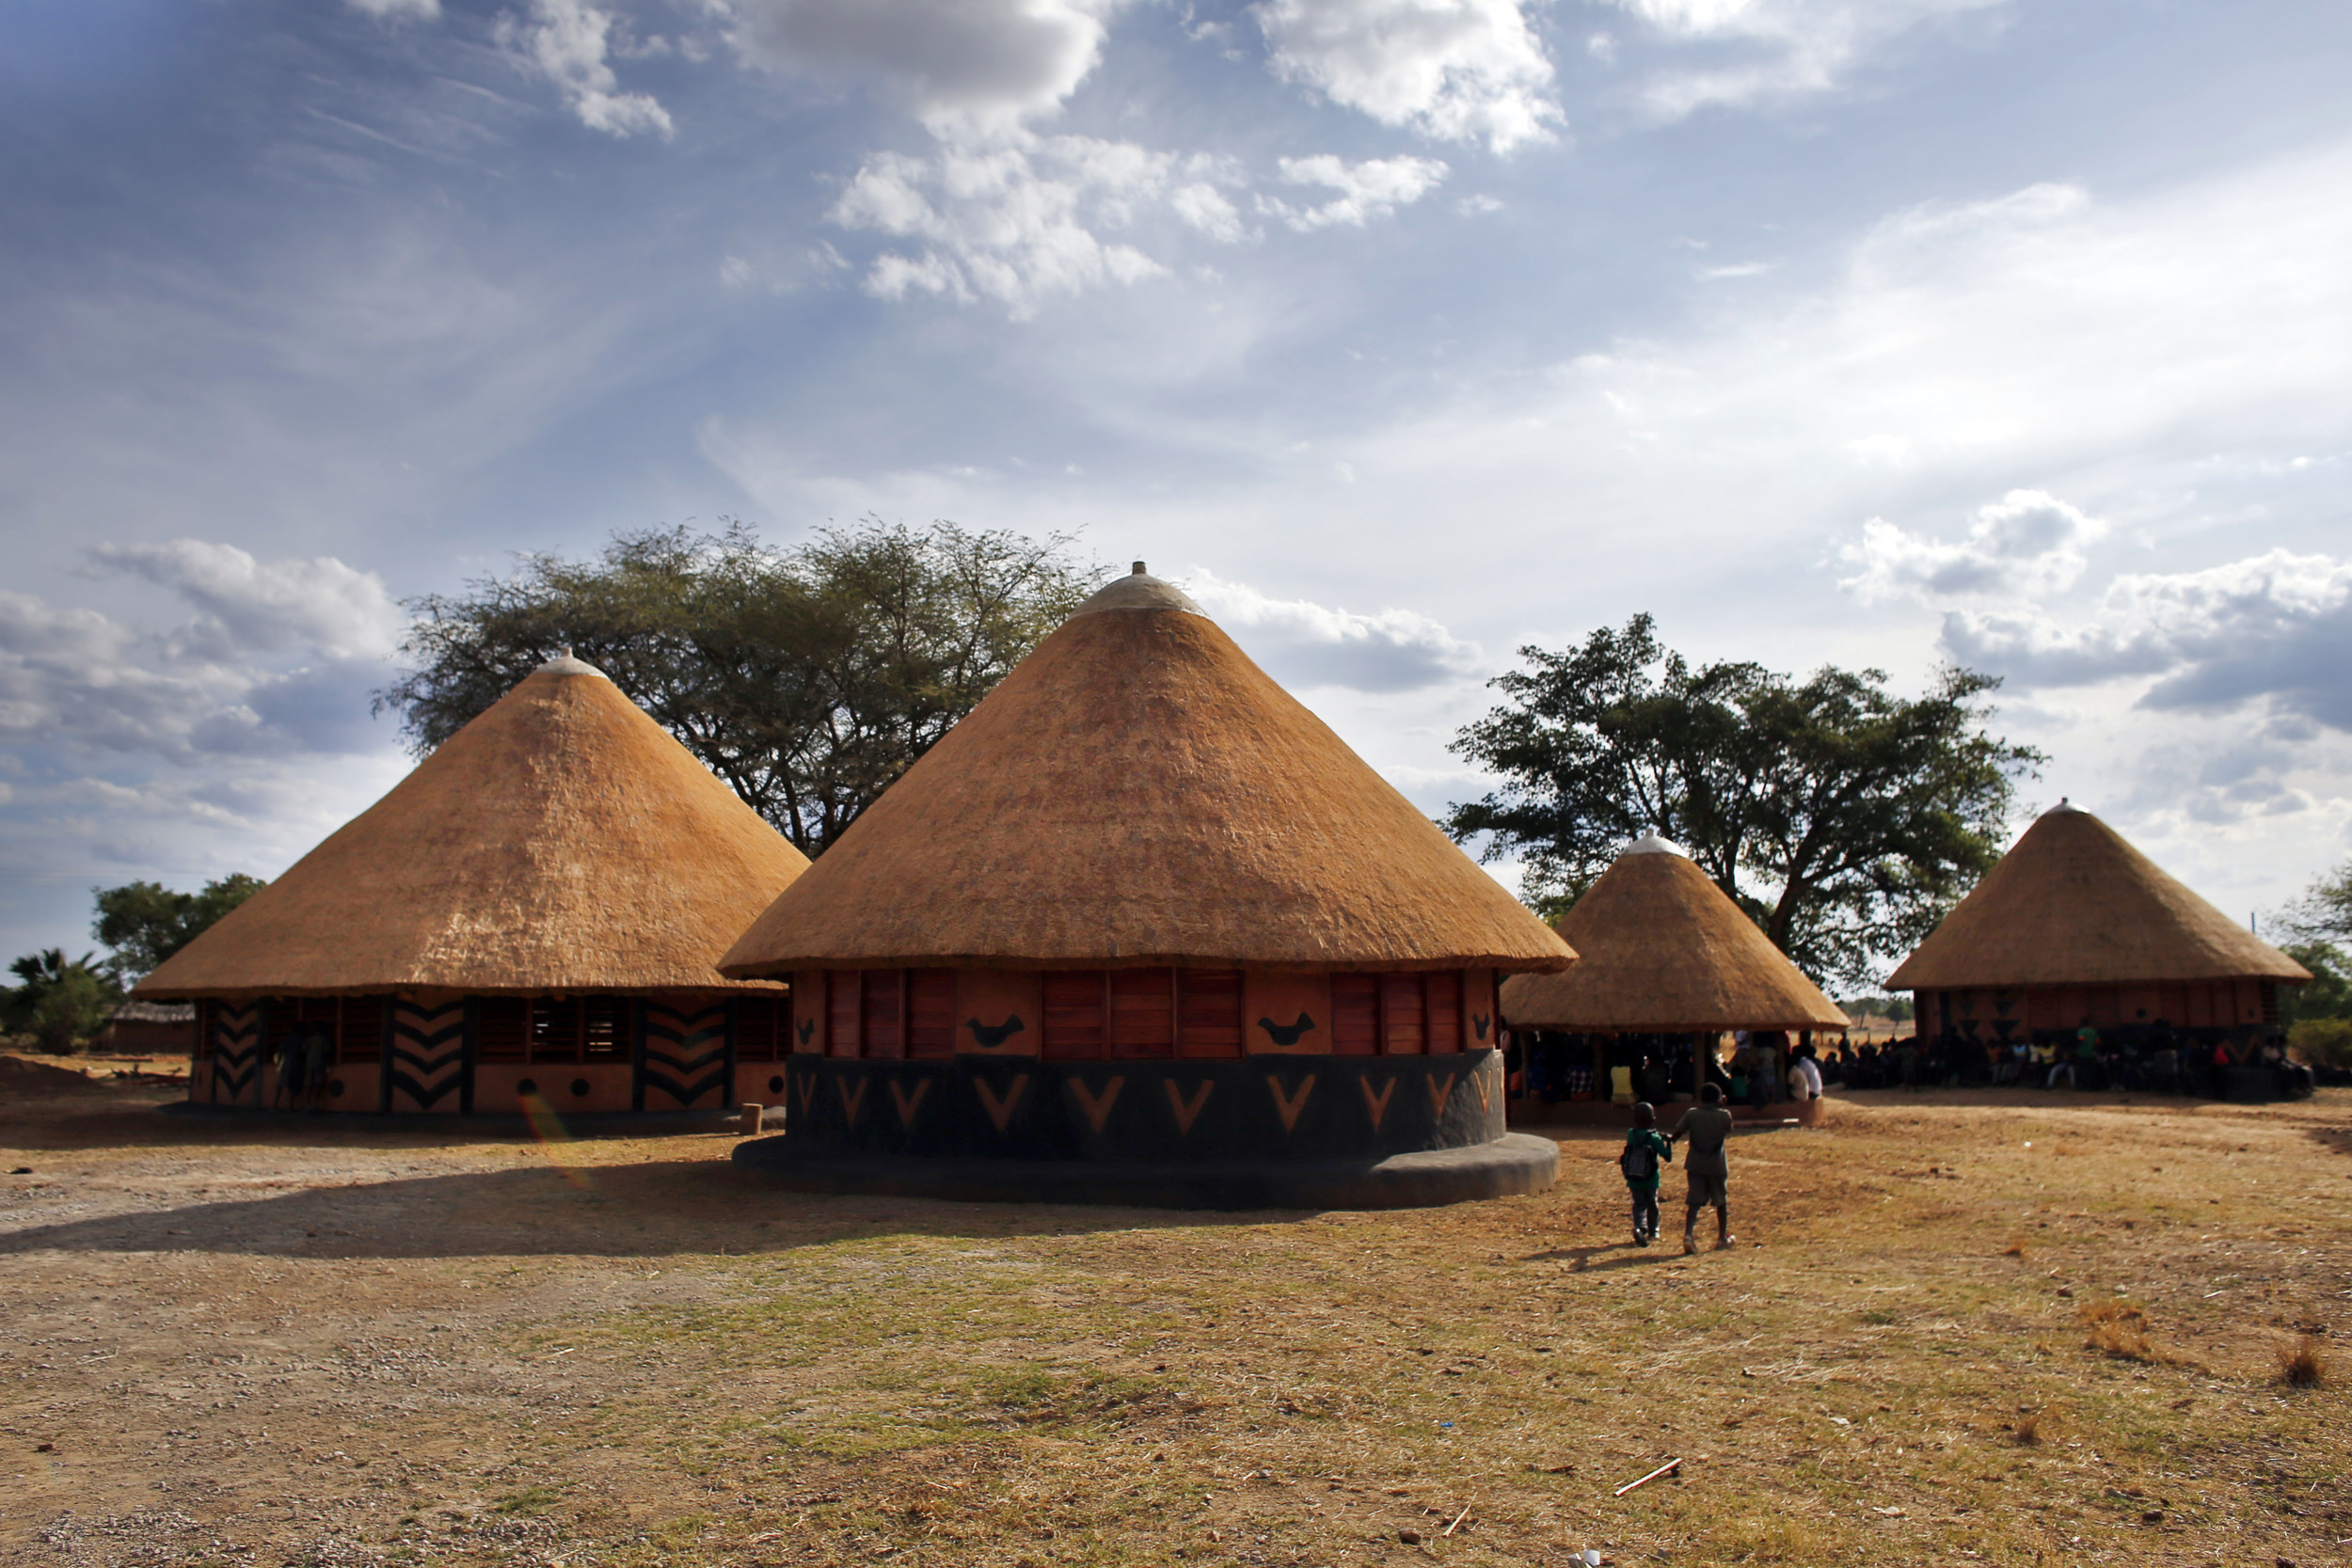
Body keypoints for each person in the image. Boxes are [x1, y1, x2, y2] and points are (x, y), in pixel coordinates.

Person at [1669, 1083, 1737, 1254]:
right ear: (1720, 1099)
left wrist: (1669, 1139)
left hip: (1695, 1163)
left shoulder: (1692, 1114)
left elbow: (1677, 1133)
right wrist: (1723, 1106)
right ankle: (1722, 1237)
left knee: (1694, 1202)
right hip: (1717, 1165)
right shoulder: (1724, 1115)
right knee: (1721, 1201)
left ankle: (1688, 1235)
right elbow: (1729, 1129)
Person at [1620, 1102, 1673, 1246]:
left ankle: (1639, 1228)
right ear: (1653, 1119)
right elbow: (1667, 1157)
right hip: (1651, 1179)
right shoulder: (1654, 1139)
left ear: (1635, 1119)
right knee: (1652, 1204)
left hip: (1634, 1177)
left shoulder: (1631, 1134)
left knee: (1638, 1205)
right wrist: (1668, 1142)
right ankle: (1653, 1230)